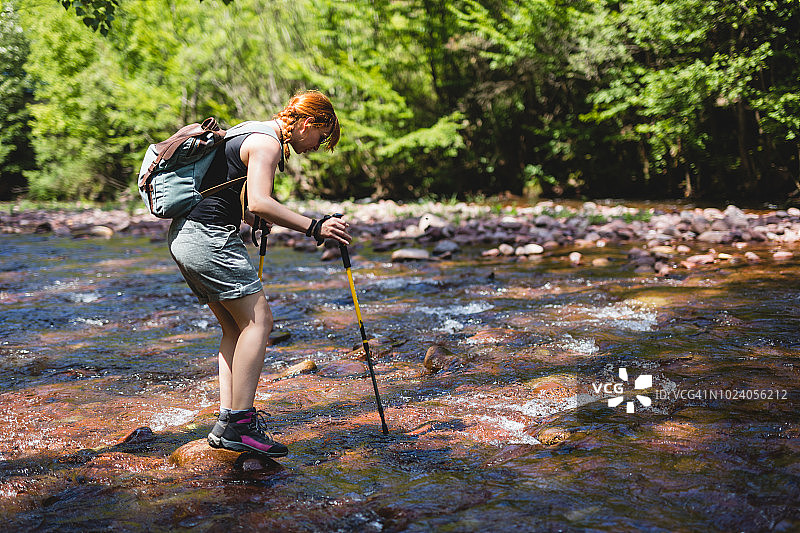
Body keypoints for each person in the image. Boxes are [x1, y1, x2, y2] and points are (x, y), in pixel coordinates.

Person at [167, 90, 351, 457]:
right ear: (306, 122)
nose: (316, 147)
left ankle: (227, 421)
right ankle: (241, 423)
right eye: (320, 137)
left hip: (184, 236)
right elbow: (260, 200)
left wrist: (251, 221)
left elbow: (229, 194)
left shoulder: (246, 131)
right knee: (259, 322)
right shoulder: (266, 143)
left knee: (235, 328)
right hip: (207, 239)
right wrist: (315, 227)